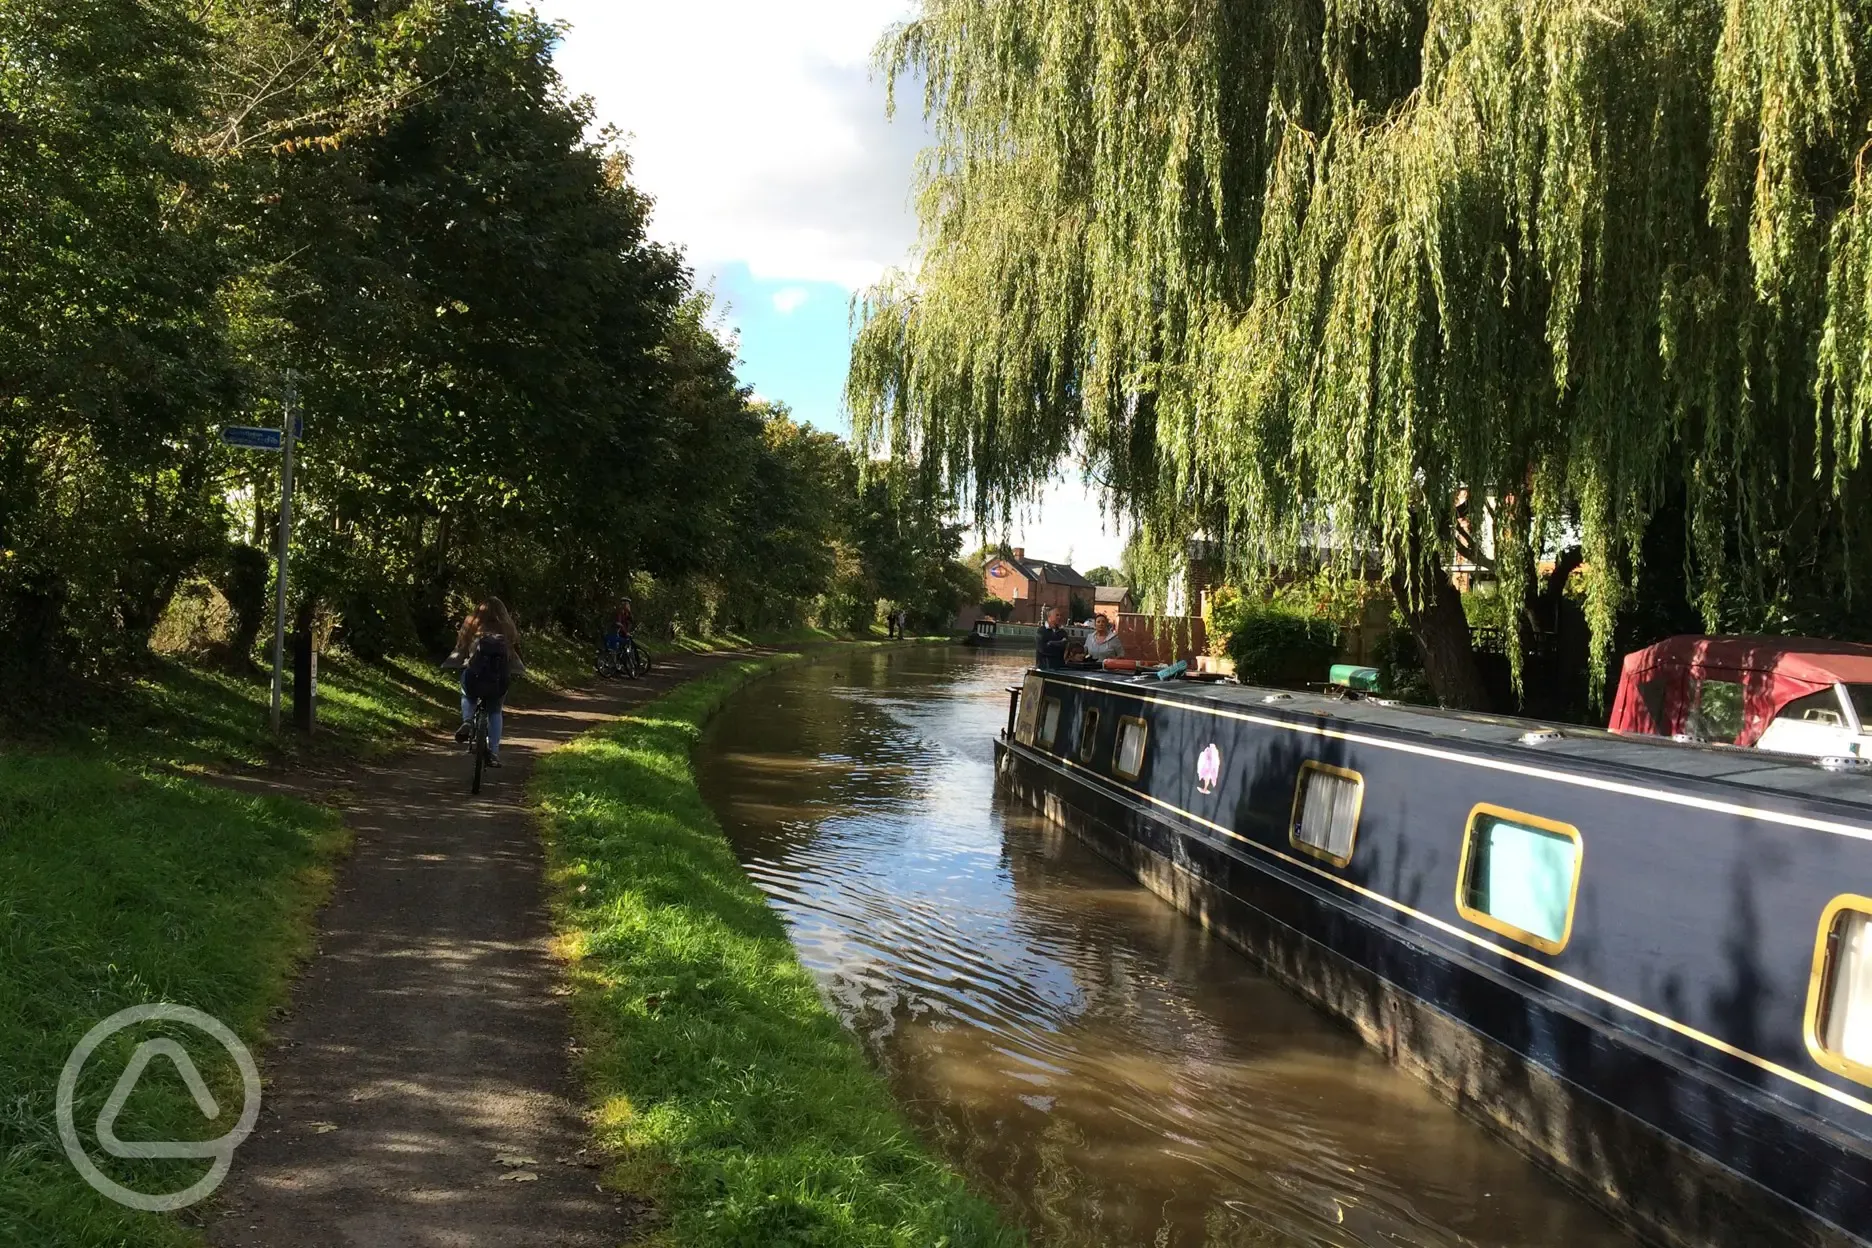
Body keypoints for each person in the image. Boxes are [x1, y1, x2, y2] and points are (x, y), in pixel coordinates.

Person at [443, 597, 526, 766]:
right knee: (495, 711)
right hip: (498, 680)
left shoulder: (471, 625)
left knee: (467, 695)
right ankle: (494, 752)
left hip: (474, 678)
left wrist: (451, 664)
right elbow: (515, 655)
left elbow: (460, 650)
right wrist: (518, 670)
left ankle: (467, 721)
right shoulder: (508, 628)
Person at [1035, 605, 1069, 669]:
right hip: (1044, 669)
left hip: (1060, 669)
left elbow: (1065, 649)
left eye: (1060, 615)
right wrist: (1060, 643)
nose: (1059, 617)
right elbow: (1043, 649)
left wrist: (1050, 643)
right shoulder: (1041, 631)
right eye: (1057, 615)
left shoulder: (1062, 632)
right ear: (1049, 617)